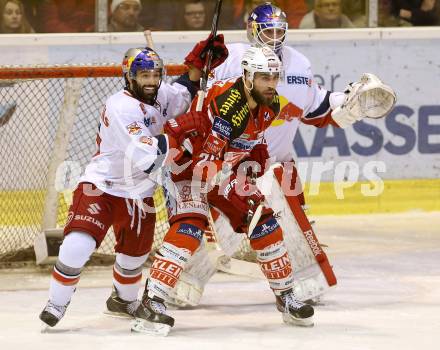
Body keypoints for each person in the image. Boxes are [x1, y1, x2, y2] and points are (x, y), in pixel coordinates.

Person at [168, 1, 396, 309]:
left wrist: (347, 100)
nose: (274, 37)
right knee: (211, 228)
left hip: (276, 162)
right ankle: (187, 279)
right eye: (268, 30)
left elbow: (314, 108)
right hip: (228, 162)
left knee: (291, 223)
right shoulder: (228, 56)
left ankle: (301, 282)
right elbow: (192, 95)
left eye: (279, 30)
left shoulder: (299, 63)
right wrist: (196, 72)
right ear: (252, 30)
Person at [38, 38, 229, 328]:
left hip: (139, 192)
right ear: (129, 77)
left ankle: (123, 301)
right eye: (144, 75)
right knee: (77, 245)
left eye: (155, 74)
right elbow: (150, 159)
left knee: (134, 256)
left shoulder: (161, 92)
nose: (151, 81)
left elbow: (183, 93)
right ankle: (56, 303)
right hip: (102, 185)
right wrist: (183, 129)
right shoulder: (120, 107)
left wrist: (198, 65)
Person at [131, 46, 315, 336]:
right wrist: (226, 178)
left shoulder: (271, 103)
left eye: (274, 77)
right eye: (264, 77)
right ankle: (151, 302)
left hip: (223, 166)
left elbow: (254, 141)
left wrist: (255, 161)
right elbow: (208, 164)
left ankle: (286, 297)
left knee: (264, 223)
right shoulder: (230, 106)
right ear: (248, 76)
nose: (271, 84)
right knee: (189, 230)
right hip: (188, 166)